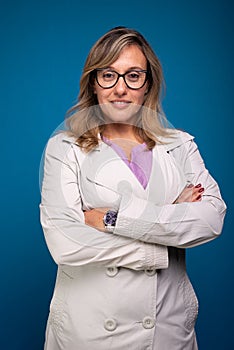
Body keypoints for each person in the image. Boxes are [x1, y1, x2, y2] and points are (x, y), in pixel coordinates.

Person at [40, 26, 226, 350]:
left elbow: (211, 219)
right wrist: (165, 230)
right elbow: (64, 242)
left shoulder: (179, 145)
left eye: (133, 76)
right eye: (108, 75)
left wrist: (112, 219)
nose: (120, 89)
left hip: (167, 328)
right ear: (94, 84)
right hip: (90, 333)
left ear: (147, 85)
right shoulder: (64, 147)